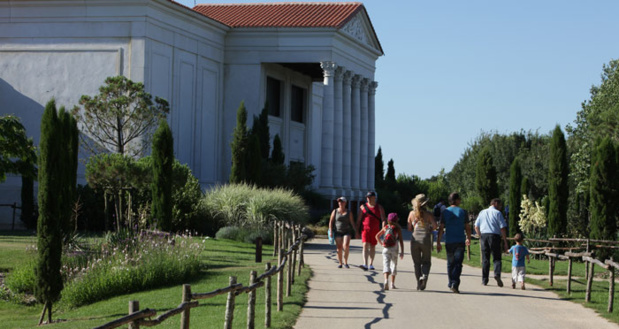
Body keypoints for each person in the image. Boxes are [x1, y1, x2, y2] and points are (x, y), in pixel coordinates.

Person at [436, 192, 471, 293]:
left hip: (449, 241)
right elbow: (468, 227)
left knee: (450, 263)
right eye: (459, 199)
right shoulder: (463, 212)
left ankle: (451, 282)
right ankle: (454, 283)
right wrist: (468, 238)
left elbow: (441, 228)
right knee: (458, 263)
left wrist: (438, 242)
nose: (460, 200)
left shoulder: (445, 212)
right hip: (459, 241)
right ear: (456, 200)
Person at [474, 198, 509, 287]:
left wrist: (480, 236)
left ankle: (484, 280)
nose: (500, 207)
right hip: (494, 236)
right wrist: (505, 241)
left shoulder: (482, 212)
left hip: (484, 236)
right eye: (500, 205)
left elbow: (476, 226)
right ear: (495, 203)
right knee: (496, 257)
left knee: (485, 258)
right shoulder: (497, 213)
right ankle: (497, 274)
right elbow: (502, 228)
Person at [407, 194, 438, 290]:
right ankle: (424, 276)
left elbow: (409, 228)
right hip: (425, 239)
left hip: (415, 239)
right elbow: (435, 226)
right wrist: (429, 227)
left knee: (416, 263)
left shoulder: (411, 214)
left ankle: (418, 282)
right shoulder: (428, 214)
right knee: (426, 261)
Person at [356, 191, 386, 271]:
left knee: (373, 246)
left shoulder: (379, 207)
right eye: (367, 197)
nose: (368, 199)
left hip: (375, 230)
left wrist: (383, 229)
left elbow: (383, 219)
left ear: (374, 198)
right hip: (365, 229)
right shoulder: (363, 207)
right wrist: (356, 231)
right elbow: (359, 219)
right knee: (365, 245)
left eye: (370, 197)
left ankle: (371, 263)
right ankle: (365, 263)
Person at [375, 212, 404, 290]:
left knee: (386, 264)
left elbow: (377, 236)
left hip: (386, 248)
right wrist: (402, 251)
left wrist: (381, 244)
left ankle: (385, 280)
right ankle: (392, 284)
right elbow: (401, 240)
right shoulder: (397, 228)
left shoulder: (386, 227)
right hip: (394, 248)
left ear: (388, 220)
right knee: (393, 264)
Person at [328, 196, 357, 268]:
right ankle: (340, 263)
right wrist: (331, 231)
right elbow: (331, 222)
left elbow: (352, 222)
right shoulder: (335, 211)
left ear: (345, 203)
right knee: (339, 247)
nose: (340, 203)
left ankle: (346, 262)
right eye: (339, 202)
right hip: (338, 231)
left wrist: (356, 232)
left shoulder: (349, 212)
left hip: (347, 231)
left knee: (346, 245)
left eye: (342, 202)